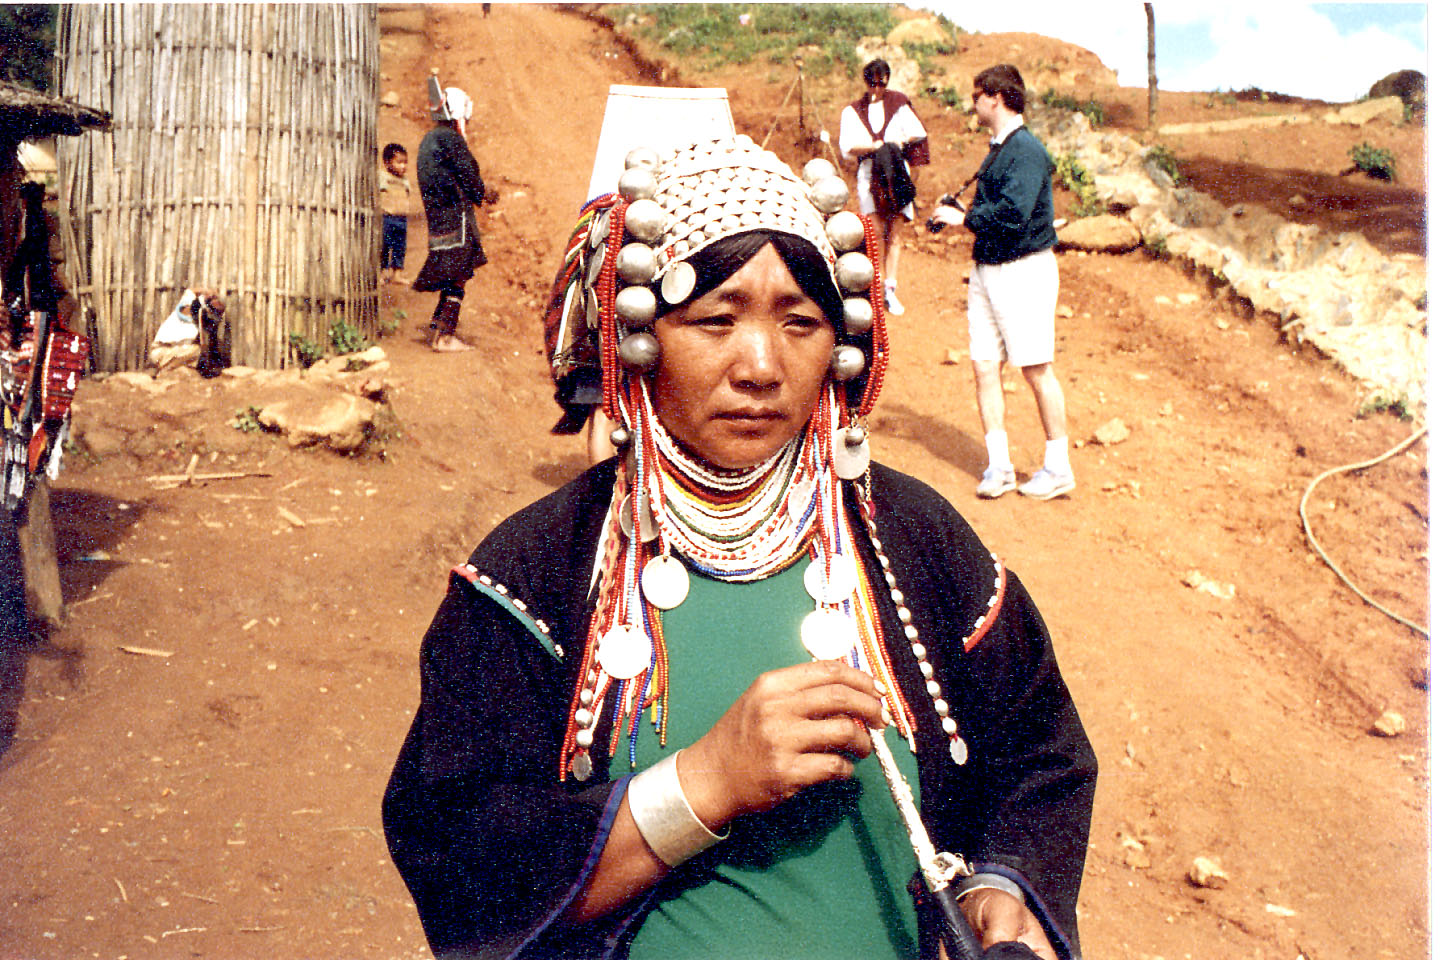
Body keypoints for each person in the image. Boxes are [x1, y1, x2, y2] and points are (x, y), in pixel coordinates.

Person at [383, 137, 1095, 960]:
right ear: (639, 337)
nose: (761, 365)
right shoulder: (536, 574)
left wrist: (1001, 888)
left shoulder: (914, 541)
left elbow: (1041, 755)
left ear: (842, 343)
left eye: (801, 323)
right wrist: (705, 784)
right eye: (715, 320)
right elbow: (457, 857)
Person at [962, 65, 1074, 501]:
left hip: (1023, 269)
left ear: (995, 97)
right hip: (988, 269)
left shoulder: (1025, 150)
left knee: (1036, 368)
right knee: (985, 365)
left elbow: (1014, 214)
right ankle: (1000, 466)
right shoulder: (1000, 148)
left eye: (977, 96)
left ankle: (1059, 467)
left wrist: (964, 218)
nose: (973, 105)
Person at [839, 58, 928, 316]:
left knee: (896, 232)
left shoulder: (898, 103)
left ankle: (890, 288)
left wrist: (896, 142)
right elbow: (848, 147)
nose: (877, 89)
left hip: (896, 171)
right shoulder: (853, 111)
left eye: (881, 84)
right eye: (872, 84)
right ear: (865, 83)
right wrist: (873, 147)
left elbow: (917, 133)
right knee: (875, 231)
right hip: (870, 172)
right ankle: (875, 288)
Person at [414, 86, 488, 353]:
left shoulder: (429, 139)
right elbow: (469, 175)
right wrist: (483, 192)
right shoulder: (451, 140)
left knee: (454, 270)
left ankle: (437, 323)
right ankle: (444, 336)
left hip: (438, 219)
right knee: (459, 273)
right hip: (456, 217)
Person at [379, 142, 412, 285]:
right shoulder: (383, 176)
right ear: (387, 163)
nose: (403, 166)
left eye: (405, 162)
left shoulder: (405, 180)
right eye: (399, 162)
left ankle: (397, 274)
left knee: (400, 247)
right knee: (384, 246)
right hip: (387, 217)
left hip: (401, 218)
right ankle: (381, 273)